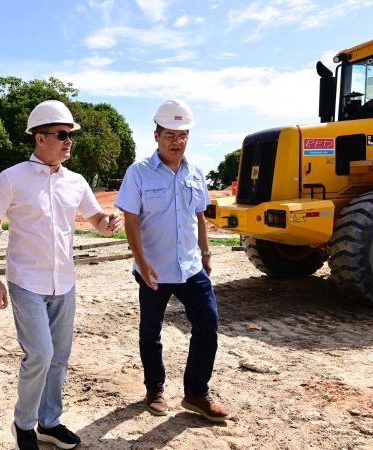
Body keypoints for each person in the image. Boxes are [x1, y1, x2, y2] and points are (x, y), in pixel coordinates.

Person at [0, 100, 121, 450]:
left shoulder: (76, 182)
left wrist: (107, 223)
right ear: (39, 138)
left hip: (64, 284)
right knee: (39, 354)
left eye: (70, 134)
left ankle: (49, 422)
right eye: (62, 134)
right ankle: (24, 424)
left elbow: (96, 219)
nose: (68, 140)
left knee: (59, 356)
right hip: (26, 283)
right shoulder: (12, 178)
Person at [114, 99, 229, 422]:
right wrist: (141, 261)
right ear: (156, 136)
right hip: (154, 269)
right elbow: (130, 220)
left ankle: (196, 393)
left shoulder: (195, 172)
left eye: (182, 136)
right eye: (169, 136)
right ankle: (155, 388)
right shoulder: (138, 173)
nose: (177, 143)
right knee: (151, 331)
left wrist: (205, 253)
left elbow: (199, 216)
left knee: (208, 323)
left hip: (191, 267)